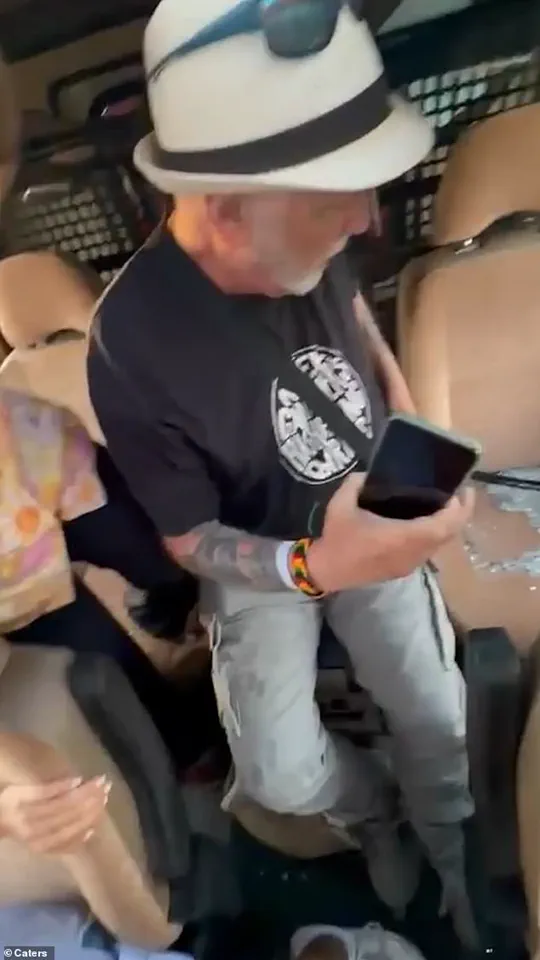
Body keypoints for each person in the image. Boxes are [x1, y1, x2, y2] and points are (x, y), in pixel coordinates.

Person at [87, 0, 475, 942]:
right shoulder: (130, 345)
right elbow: (188, 538)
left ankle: (456, 866)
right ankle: (373, 814)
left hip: (372, 513)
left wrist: (408, 425)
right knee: (278, 775)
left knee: (439, 718)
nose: (367, 219)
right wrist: (315, 567)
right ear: (225, 209)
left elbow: (358, 320)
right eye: (335, 199)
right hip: (264, 558)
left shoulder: (305, 240)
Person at [0, 385, 220, 773]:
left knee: (157, 559)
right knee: (104, 674)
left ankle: (176, 616)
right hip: (14, 579)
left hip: (50, 455)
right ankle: (191, 745)